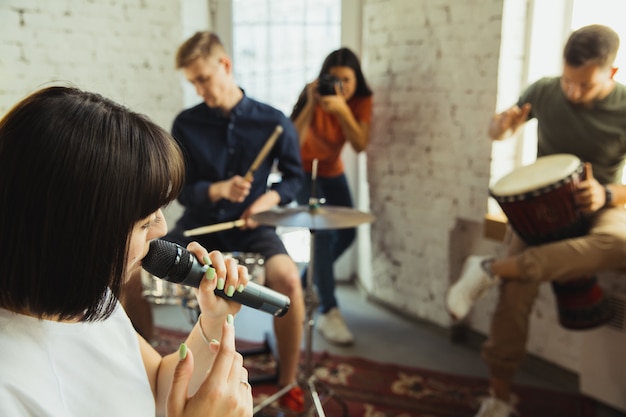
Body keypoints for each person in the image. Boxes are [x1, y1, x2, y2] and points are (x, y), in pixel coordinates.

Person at [0, 85, 253, 417]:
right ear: (81, 231)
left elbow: (158, 383)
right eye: (146, 221)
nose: (162, 230)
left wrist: (214, 319)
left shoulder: (88, 298)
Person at [446, 24, 626, 417]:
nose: (573, 92)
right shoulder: (545, 89)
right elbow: (498, 131)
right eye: (567, 81)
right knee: (514, 296)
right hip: (542, 208)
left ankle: (493, 267)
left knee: (620, 244)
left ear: (611, 73)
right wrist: (501, 125)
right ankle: (499, 397)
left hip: (602, 205)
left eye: (585, 84)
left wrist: (608, 194)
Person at [163, 31, 306, 411]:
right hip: (199, 225)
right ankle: (144, 362)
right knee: (134, 268)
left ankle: (288, 382)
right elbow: (183, 190)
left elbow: (295, 179)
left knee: (289, 280)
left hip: (254, 227)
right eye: (192, 81)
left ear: (224, 65)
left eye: (203, 79)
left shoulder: (272, 121)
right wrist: (218, 190)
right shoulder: (186, 124)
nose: (199, 89)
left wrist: (267, 200)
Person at [290, 47, 373, 346]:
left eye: (346, 80)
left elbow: (360, 143)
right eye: (334, 79)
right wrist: (312, 104)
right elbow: (293, 142)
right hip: (302, 170)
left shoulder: (361, 101)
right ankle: (329, 309)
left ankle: (304, 281)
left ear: (356, 80)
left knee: (347, 233)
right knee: (321, 235)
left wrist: (341, 109)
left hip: (332, 170)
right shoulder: (314, 93)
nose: (340, 87)